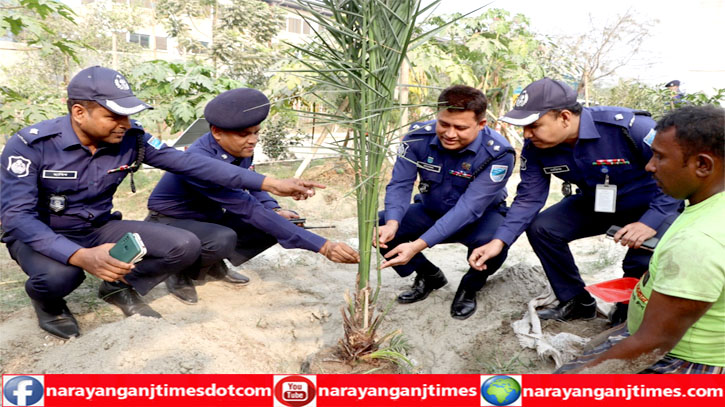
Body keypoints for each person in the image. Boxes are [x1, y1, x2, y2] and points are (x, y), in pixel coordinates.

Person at [0, 66, 322, 339]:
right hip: (41, 232)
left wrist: (269, 182)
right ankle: (48, 304)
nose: (124, 124)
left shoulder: (132, 138)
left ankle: (118, 287)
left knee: (184, 245)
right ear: (79, 112)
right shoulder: (30, 146)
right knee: (63, 276)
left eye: (128, 115)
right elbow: (17, 218)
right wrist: (80, 256)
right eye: (114, 116)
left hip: (97, 226)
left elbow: (194, 164)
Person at [469, 78, 683, 323]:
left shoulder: (630, 128)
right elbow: (529, 198)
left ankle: (631, 307)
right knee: (543, 228)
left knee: (643, 256)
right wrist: (500, 240)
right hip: (595, 203)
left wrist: (649, 222)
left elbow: (678, 174)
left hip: (652, 205)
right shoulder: (536, 147)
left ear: (565, 117)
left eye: (534, 125)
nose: (526, 134)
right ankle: (577, 301)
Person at [146, 88, 359, 304]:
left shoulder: (239, 148)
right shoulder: (200, 160)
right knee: (224, 237)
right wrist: (323, 246)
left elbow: (251, 179)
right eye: (244, 134)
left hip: (210, 213)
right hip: (173, 220)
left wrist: (274, 208)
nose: (253, 140)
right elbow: (248, 208)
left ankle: (212, 264)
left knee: (280, 220)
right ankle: (179, 272)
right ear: (217, 132)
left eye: (256, 132)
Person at [557, 105, 724, 374]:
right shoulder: (709, 204)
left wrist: (567, 387)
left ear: (703, 165)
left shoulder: (698, 243)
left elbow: (653, 343)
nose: (649, 166)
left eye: (659, 157)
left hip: (682, 360)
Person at [376, 85, 515, 320]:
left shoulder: (499, 153)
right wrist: (392, 222)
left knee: (495, 243)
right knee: (379, 226)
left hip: (480, 218)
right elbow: (400, 184)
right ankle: (429, 275)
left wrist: (417, 244)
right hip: (432, 210)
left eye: (460, 127)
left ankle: (470, 287)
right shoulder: (417, 136)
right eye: (444, 124)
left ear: (481, 125)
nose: (450, 133)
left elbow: (468, 209)